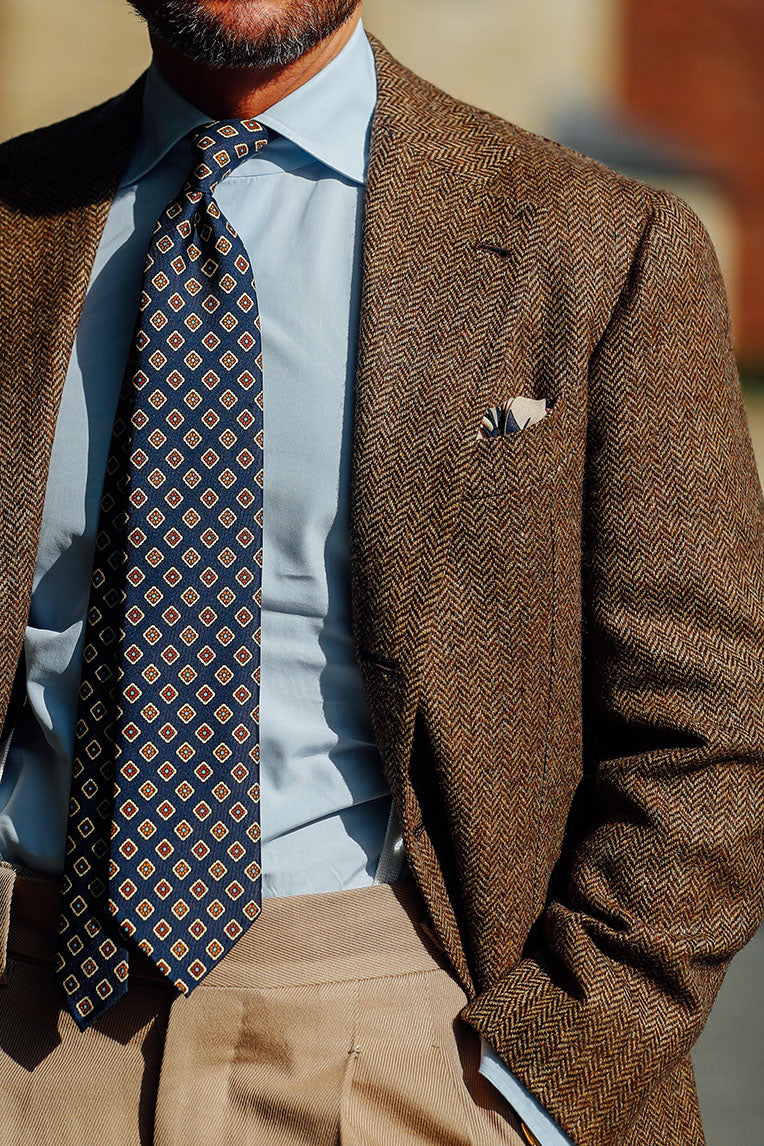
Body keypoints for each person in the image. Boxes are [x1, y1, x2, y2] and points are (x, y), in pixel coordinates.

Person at [0, 2, 762, 1144]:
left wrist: (546, 1076)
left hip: (409, 1039)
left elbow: (711, 713)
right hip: (24, 1020)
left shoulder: (593, 240)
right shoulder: (16, 218)